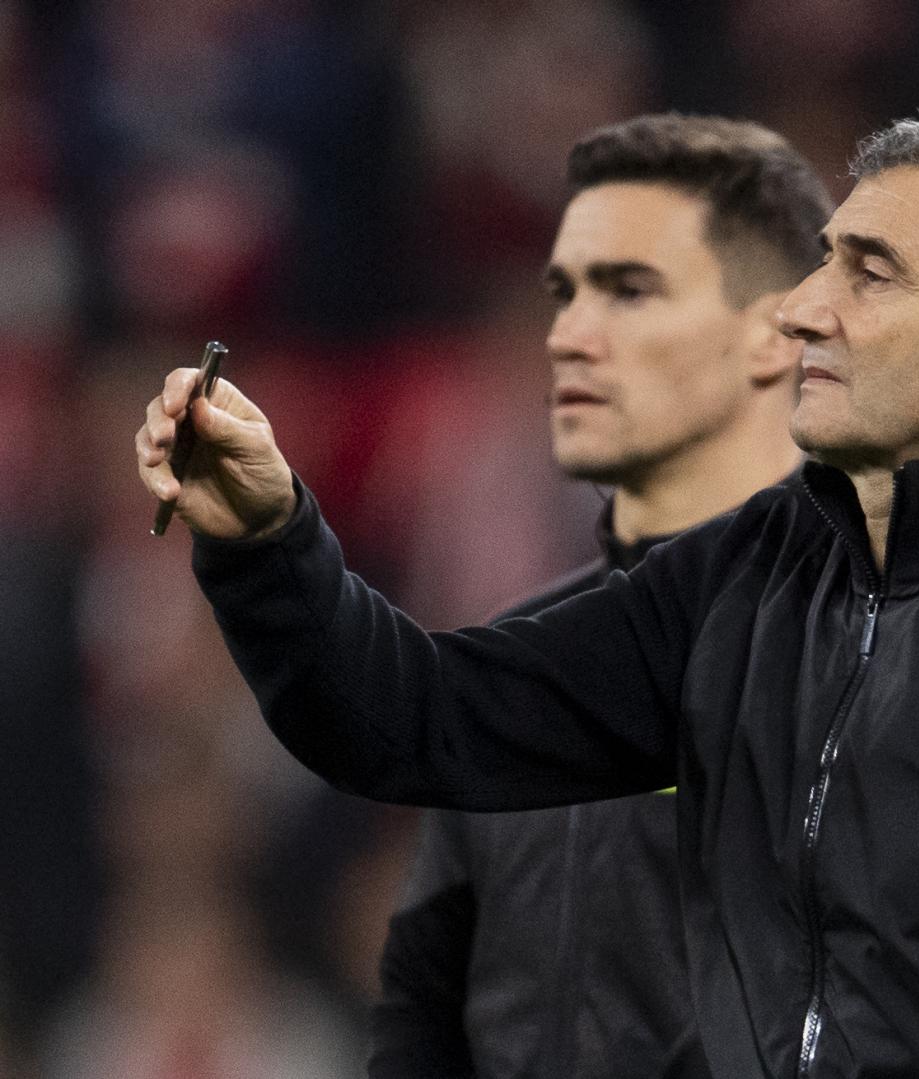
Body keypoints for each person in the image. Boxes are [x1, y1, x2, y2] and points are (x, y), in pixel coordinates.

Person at [136, 112, 919, 1077]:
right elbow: (419, 717)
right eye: (824, 257)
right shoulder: (747, 577)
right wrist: (268, 538)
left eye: (869, 271)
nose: (803, 306)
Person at [365, 115, 833, 1078]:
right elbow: (422, 1005)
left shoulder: (872, 653)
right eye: (565, 295)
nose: (569, 337)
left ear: (771, 334)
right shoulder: (510, 653)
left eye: (630, 293)